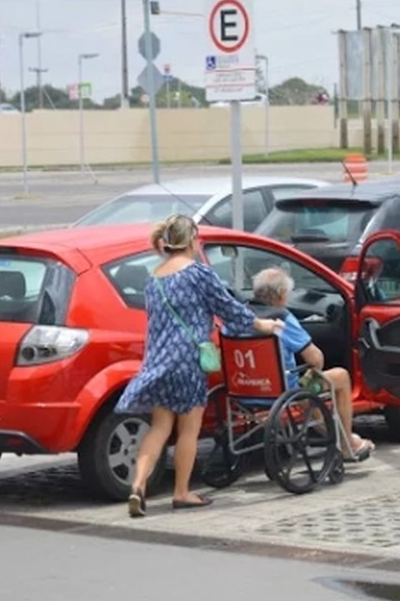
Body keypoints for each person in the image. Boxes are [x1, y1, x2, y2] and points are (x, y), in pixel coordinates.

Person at [117, 214, 285, 518]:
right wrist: (262, 324)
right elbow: (227, 307)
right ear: (192, 240)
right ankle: (181, 493)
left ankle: (138, 485)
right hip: (188, 360)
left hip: (158, 360)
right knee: (188, 430)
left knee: (159, 427)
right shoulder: (198, 273)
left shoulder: (154, 278)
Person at [249, 267, 375, 460]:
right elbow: (315, 358)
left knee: (308, 389)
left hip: (244, 388)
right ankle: (347, 443)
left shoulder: (241, 315)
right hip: (281, 389)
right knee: (339, 376)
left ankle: (340, 437)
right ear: (281, 294)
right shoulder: (281, 318)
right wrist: (311, 374)